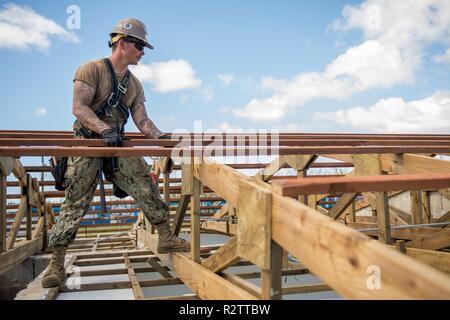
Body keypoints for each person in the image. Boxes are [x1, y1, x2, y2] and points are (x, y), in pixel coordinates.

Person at [42, 18, 190, 288]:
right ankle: (56, 262)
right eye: (140, 46)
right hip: (87, 141)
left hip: (115, 143)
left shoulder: (134, 84)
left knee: (145, 181)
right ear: (122, 43)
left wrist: (160, 137)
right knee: (76, 198)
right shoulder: (92, 69)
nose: (143, 52)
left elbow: (142, 119)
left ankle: (166, 235)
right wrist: (102, 129)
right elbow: (79, 107)